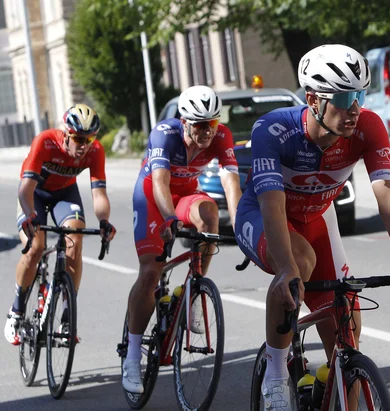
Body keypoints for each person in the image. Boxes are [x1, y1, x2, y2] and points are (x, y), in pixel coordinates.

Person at [234, 44, 390, 410]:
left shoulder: (367, 126)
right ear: (313, 99)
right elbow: (271, 201)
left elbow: (388, 194)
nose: (354, 108)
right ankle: (277, 376)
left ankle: (334, 391)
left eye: (360, 94)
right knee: (298, 261)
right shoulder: (274, 128)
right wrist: (285, 269)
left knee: (347, 336)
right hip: (265, 214)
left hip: (317, 218)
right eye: (344, 97)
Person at [123, 85, 242, 393]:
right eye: (200, 125)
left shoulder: (221, 136)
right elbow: (160, 182)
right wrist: (170, 219)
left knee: (210, 214)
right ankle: (132, 357)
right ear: (185, 121)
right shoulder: (165, 134)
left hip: (185, 194)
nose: (207, 132)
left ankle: (194, 292)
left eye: (212, 124)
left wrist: (243, 224)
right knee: (151, 272)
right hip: (152, 196)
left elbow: (231, 182)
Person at [5, 104, 116, 345]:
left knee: (74, 241)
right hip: (34, 194)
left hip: (65, 195)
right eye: (78, 139)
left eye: (89, 139)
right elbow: (25, 189)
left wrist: (104, 221)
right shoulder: (45, 141)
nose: (84, 145)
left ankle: (67, 316)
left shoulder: (95, 151)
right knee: (35, 248)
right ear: (66, 133)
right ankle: (16, 311)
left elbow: (99, 195)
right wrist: (30, 216)